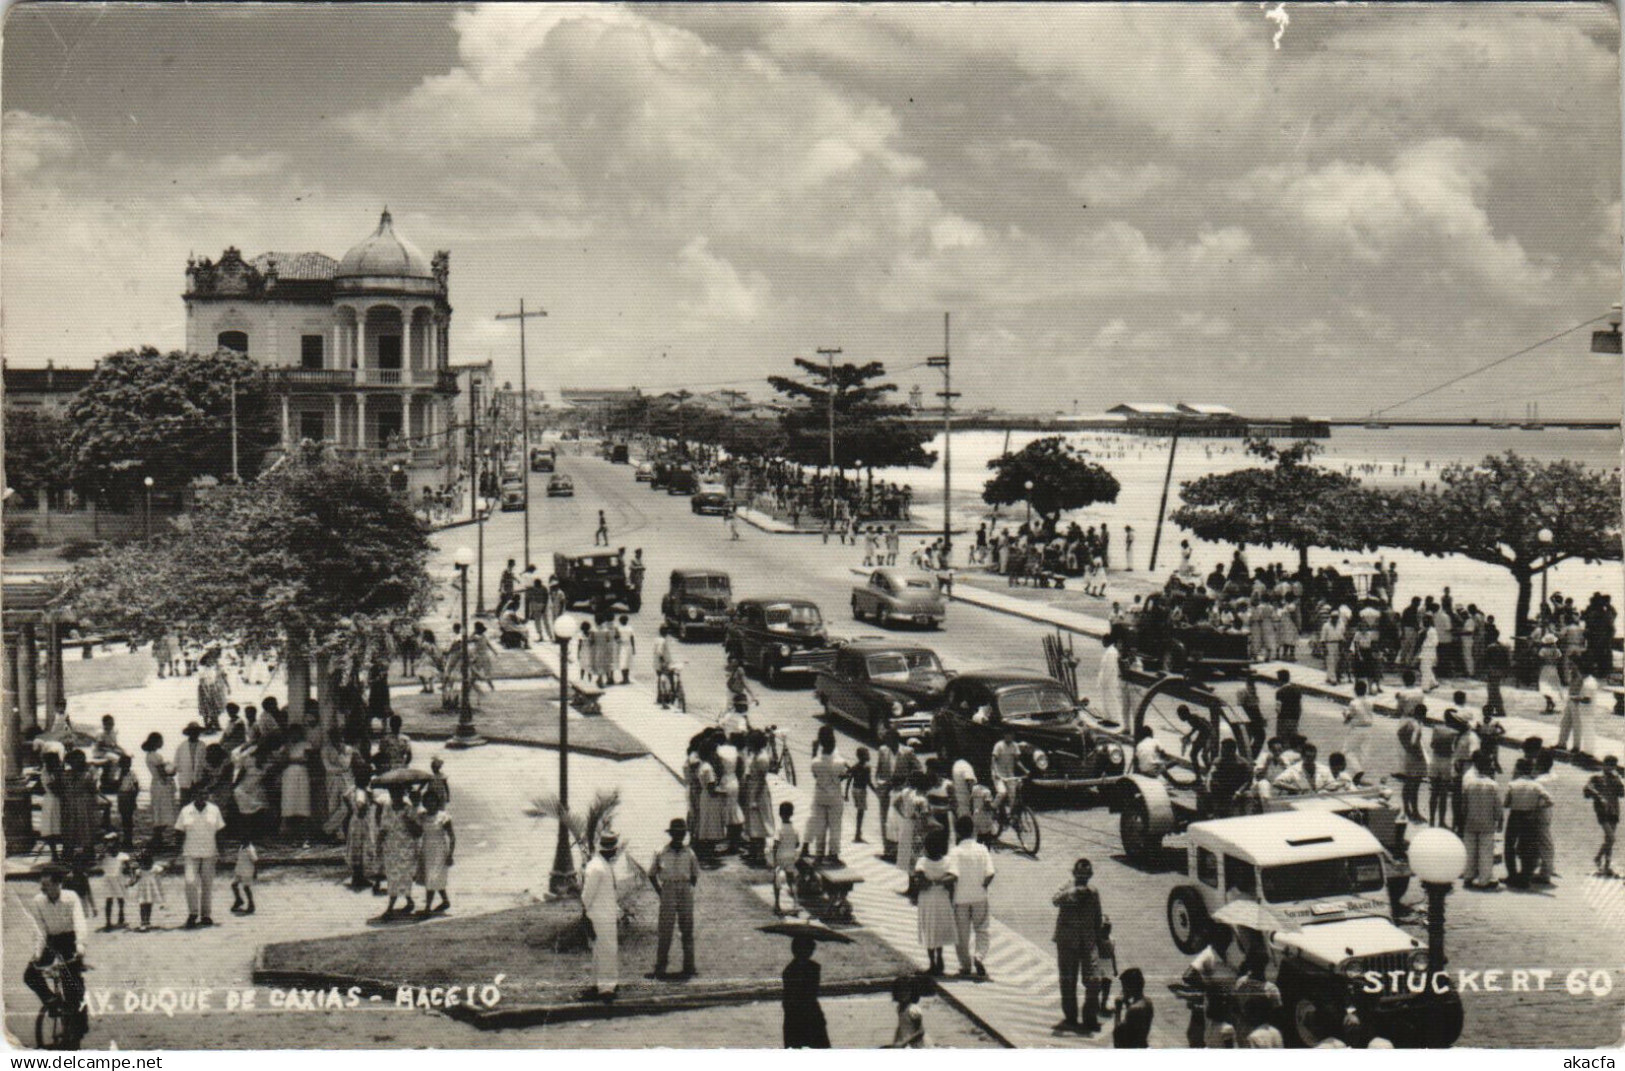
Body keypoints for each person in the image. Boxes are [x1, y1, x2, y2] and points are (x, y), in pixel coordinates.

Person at [22, 865, 90, 1046]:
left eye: (47, 885)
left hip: (70, 940)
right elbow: (40, 929)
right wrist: (37, 954)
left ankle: (76, 1027)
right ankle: (52, 1002)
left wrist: (80, 945)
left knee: (72, 986)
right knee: (30, 974)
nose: (43, 889)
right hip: (51, 941)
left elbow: (79, 922)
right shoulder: (38, 901)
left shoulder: (71, 897)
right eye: (41, 885)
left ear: (59, 883)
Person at [1052, 857, 1109, 1034]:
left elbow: (1097, 917)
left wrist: (1101, 939)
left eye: (1087, 874)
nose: (1083, 878)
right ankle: (1070, 1016)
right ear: (1074, 873)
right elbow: (1055, 900)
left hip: (1088, 942)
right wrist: (1074, 892)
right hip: (1067, 942)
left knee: (1094, 980)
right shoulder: (1067, 887)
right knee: (1068, 981)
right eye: (1080, 874)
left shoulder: (1094, 892)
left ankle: (1089, 1016)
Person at [648, 818, 700, 979]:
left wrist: (688, 889)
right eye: (677, 833)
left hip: (685, 889)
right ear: (671, 834)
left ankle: (689, 966)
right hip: (668, 889)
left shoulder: (690, 853)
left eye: (682, 833)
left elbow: (694, 875)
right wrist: (661, 892)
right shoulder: (661, 852)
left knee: (687, 929)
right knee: (665, 930)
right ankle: (661, 966)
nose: (680, 836)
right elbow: (651, 874)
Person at [950, 815, 995, 978]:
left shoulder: (954, 852)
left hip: (960, 899)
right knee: (982, 929)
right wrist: (982, 886)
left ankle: (965, 965)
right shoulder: (982, 849)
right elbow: (991, 873)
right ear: (973, 830)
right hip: (979, 897)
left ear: (957, 832)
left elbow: (953, 875)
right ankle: (979, 956)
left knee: (961, 934)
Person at [174, 787, 225, 928]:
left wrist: (222, 853)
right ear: (193, 795)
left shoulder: (214, 810)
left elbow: (220, 833)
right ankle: (193, 913)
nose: (202, 796)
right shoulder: (186, 811)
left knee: (207, 885)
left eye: (205, 793)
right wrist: (175, 854)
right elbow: (179, 833)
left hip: (209, 853)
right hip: (190, 853)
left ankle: (206, 915)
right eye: (199, 793)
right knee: (190, 882)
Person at [1183, 924, 1238, 1048]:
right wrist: (1210, 988)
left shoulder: (1225, 955)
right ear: (1216, 939)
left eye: (1229, 939)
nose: (1228, 942)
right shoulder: (1208, 955)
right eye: (1225, 939)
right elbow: (1188, 975)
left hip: (1227, 1004)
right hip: (1215, 1005)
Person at [581, 831, 621, 1001]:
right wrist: (587, 913)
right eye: (614, 849)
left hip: (606, 914)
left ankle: (597, 984)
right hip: (600, 916)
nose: (615, 852)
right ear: (609, 849)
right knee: (607, 951)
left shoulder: (603, 865)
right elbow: (587, 895)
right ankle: (606, 988)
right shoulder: (597, 867)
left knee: (601, 951)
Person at [912, 827, 957, 976]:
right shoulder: (947, 862)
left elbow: (919, 880)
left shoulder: (922, 862)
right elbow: (953, 877)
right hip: (942, 899)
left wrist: (930, 882)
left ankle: (932, 962)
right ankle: (940, 956)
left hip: (927, 900)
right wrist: (940, 882)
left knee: (929, 929)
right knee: (938, 929)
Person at [1504, 759, 1552, 889]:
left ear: (1518, 770)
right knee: (1527, 847)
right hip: (1530, 817)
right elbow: (1549, 800)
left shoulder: (1513, 784)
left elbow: (1506, 803)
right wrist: (1537, 806)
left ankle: (1512, 875)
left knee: (1510, 846)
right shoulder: (1536, 786)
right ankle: (1525, 877)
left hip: (1515, 816)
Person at [805, 726, 848, 863]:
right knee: (835, 827)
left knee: (820, 826)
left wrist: (814, 750)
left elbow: (814, 774)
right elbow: (843, 775)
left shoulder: (816, 762)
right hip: (835, 797)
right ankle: (834, 854)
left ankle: (819, 854)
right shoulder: (839, 762)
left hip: (820, 796)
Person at [378, 788, 422, 920]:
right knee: (393, 876)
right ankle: (409, 901)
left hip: (406, 848)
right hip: (391, 848)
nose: (395, 796)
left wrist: (408, 820)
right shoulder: (387, 808)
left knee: (403, 876)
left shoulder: (410, 809)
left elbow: (418, 832)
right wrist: (378, 844)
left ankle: (390, 908)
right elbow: (383, 828)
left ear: (403, 793)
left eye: (398, 793)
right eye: (393, 793)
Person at [1460, 752, 1503, 888]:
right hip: (1487, 823)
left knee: (1470, 850)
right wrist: (1499, 820)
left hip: (1470, 822)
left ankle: (1468, 877)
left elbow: (1464, 805)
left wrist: (1463, 818)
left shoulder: (1469, 784)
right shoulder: (1493, 785)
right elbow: (1497, 806)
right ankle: (1484, 880)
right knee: (1485, 852)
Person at [781, 934, 830, 1048]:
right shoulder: (813, 968)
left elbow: (787, 998)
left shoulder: (789, 970)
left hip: (795, 1017)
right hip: (809, 1016)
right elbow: (812, 993)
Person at [1584, 755, 1623, 877]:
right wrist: (1598, 796)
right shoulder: (1596, 778)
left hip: (1614, 811)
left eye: (1612, 766)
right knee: (1611, 838)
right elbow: (1587, 790)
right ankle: (1597, 858)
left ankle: (1607, 866)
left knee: (1609, 840)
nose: (1609, 768)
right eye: (1608, 765)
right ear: (1603, 764)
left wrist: (1619, 781)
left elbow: (1622, 794)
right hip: (1602, 811)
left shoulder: (1616, 779)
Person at [419, 792, 455, 915]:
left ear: (437, 802)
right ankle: (445, 901)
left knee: (432, 878)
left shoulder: (443, 816)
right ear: (424, 803)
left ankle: (427, 908)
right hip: (426, 850)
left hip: (440, 850)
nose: (430, 804)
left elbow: (452, 837)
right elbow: (417, 833)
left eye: (432, 801)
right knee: (433, 878)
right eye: (427, 801)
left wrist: (450, 855)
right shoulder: (422, 816)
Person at [771, 801, 803, 915]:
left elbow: (775, 844)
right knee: (791, 880)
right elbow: (797, 844)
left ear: (780, 814)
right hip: (790, 857)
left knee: (776, 880)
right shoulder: (795, 829)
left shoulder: (779, 829)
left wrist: (773, 859)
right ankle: (795, 902)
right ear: (792, 813)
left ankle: (777, 904)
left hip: (780, 857)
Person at [1557, 670, 1598, 757]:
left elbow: (1585, 694)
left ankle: (1576, 746)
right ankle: (1561, 743)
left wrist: (1576, 698)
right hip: (1571, 698)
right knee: (1565, 722)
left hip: (1577, 701)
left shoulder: (1584, 678)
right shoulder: (1573, 673)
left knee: (1577, 725)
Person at [1111, 967, 1154, 1048]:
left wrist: (1118, 1009)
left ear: (1130, 987)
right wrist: (1127, 1003)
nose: (1122, 990)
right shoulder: (1148, 1002)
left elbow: (1118, 1038)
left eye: (1124, 986)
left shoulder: (1134, 1010)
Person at [885, 975, 926, 1048]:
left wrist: (905, 1042)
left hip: (914, 1045)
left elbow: (920, 1031)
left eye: (906, 991)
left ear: (912, 992)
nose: (903, 994)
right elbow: (900, 1026)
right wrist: (896, 1041)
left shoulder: (913, 1009)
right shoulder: (899, 1008)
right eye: (900, 991)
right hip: (904, 1043)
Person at [844, 747, 873, 843]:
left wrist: (846, 793)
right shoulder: (867, 767)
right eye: (867, 753)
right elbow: (868, 782)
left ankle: (858, 833)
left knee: (859, 812)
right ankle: (857, 834)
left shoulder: (855, 766)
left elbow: (849, 778)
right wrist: (877, 792)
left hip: (854, 790)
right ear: (864, 756)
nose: (869, 755)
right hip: (861, 791)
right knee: (860, 813)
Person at [132, 852, 165, 932]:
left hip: (151, 889)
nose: (146, 865)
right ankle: (143, 922)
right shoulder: (139, 871)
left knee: (149, 905)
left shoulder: (154, 868)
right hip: (143, 890)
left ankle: (147, 921)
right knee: (143, 906)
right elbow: (135, 880)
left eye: (148, 862)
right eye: (143, 862)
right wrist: (130, 883)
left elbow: (162, 871)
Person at [1273, 669, 1302, 743]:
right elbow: (1300, 706)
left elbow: (1278, 709)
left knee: (1282, 740)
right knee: (1292, 739)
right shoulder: (1297, 689)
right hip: (1294, 719)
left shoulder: (1280, 692)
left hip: (1283, 719)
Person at [230, 840, 258, 915]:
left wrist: (255, 872)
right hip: (239, 870)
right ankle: (238, 900)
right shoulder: (242, 847)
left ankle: (251, 904)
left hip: (247, 871)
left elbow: (255, 861)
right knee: (233, 885)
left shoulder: (250, 849)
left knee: (246, 888)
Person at [615, 614, 636, 685]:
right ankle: (626, 678)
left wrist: (618, 641)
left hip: (622, 646)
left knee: (622, 662)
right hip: (629, 645)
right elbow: (632, 638)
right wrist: (633, 648)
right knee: (627, 662)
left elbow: (616, 638)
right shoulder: (630, 628)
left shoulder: (618, 628)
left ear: (620, 621)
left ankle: (624, 678)